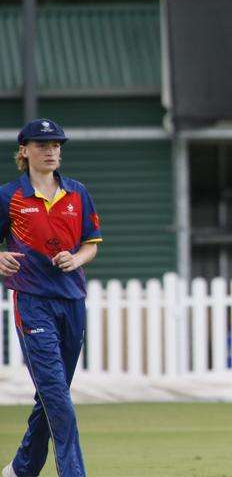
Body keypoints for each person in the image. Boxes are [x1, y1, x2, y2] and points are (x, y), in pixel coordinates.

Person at [0, 118, 102, 477]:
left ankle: (22, 469)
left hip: (73, 301)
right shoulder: (8, 196)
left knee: (51, 395)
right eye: (43, 145)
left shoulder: (77, 192)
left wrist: (76, 258)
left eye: (56, 145)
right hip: (32, 302)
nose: (51, 151)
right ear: (24, 151)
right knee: (58, 398)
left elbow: (90, 244)